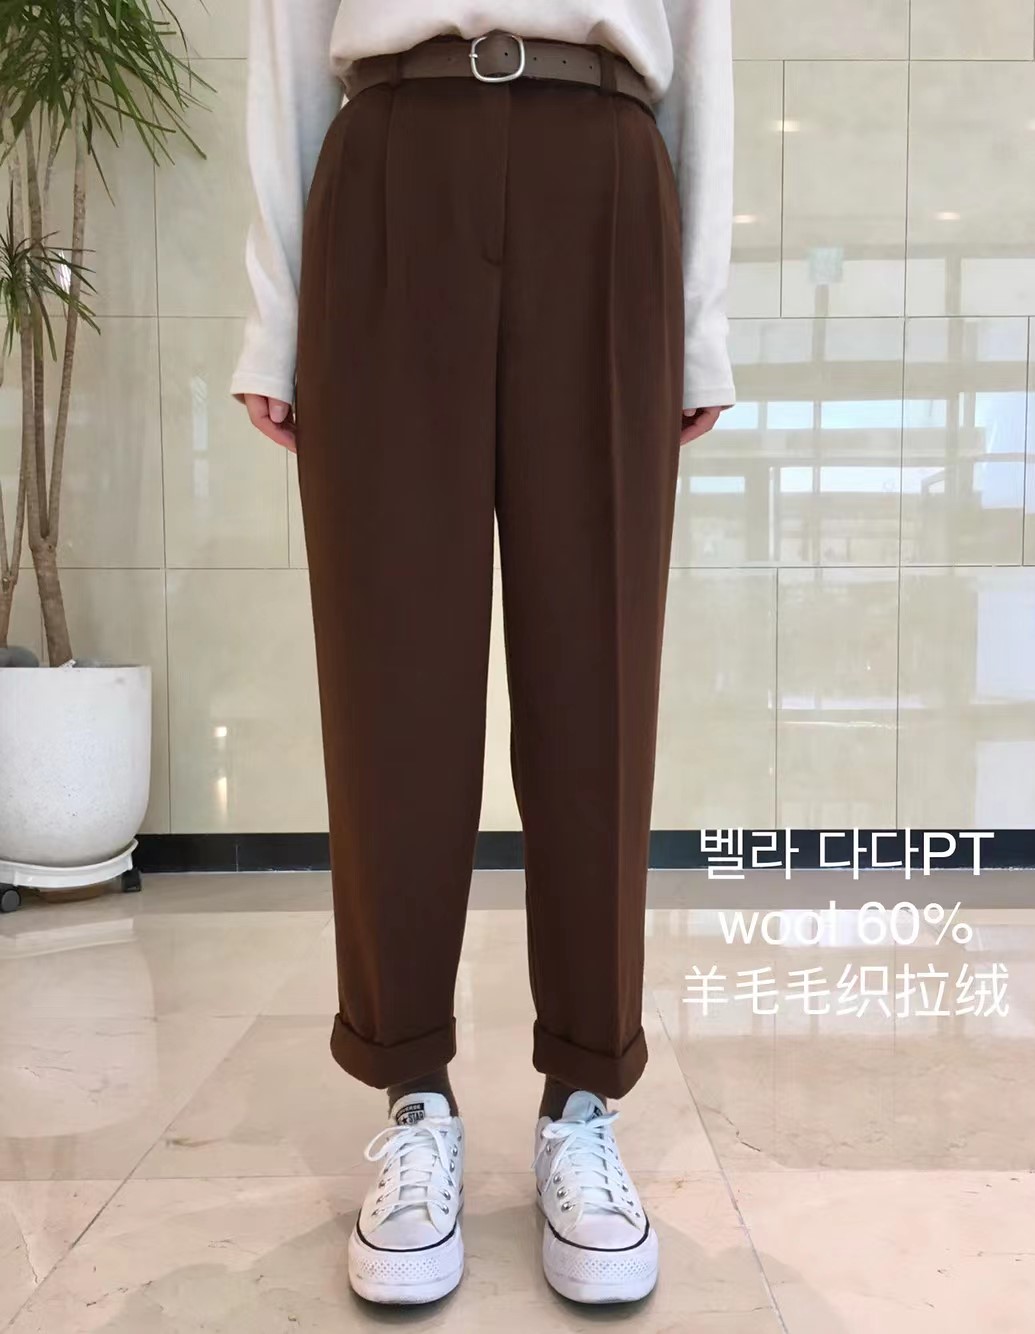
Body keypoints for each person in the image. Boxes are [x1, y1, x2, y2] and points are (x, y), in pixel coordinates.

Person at [230, 1, 735, 1308]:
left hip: (606, 167)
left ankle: (584, 1101)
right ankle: (412, 1094)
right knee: (390, 677)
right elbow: (287, 33)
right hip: (391, 165)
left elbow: (701, 31)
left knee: (597, 675)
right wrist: (275, 314)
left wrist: (700, 321)